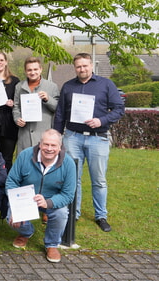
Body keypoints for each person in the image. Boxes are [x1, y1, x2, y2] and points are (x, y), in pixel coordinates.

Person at [53, 53, 125, 232]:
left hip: (97, 138)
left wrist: (101, 121)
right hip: (72, 137)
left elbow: (119, 109)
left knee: (99, 179)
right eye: (78, 66)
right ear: (75, 67)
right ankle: (73, 213)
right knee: (72, 178)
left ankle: (101, 215)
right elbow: (61, 112)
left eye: (85, 66)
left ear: (91, 65)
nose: (82, 69)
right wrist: (56, 136)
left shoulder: (106, 84)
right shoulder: (68, 86)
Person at [6, 129, 76, 263]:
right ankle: (26, 232)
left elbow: (68, 194)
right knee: (11, 216)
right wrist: (17, 207)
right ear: (40, 144)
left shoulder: (69, 164)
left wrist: (48, 203)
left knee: (61, 213)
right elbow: (11, 181)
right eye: (46, 144)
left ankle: (51, 244)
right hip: (25, 199)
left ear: (60, 147)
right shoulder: (24, 156)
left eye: (53, 145)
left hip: (51, 199)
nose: (49, 149)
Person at [13, 57, 59, 154]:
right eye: (29, 70)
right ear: (25, 71)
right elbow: (16, 107)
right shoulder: (19, 86)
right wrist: (17, 119)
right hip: (25, 134)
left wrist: (48, 99)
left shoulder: (52, 86)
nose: (32, 72)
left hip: (43, 133)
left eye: (35, 69)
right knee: (25, 163)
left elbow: (57, 108)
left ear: (41, 69)